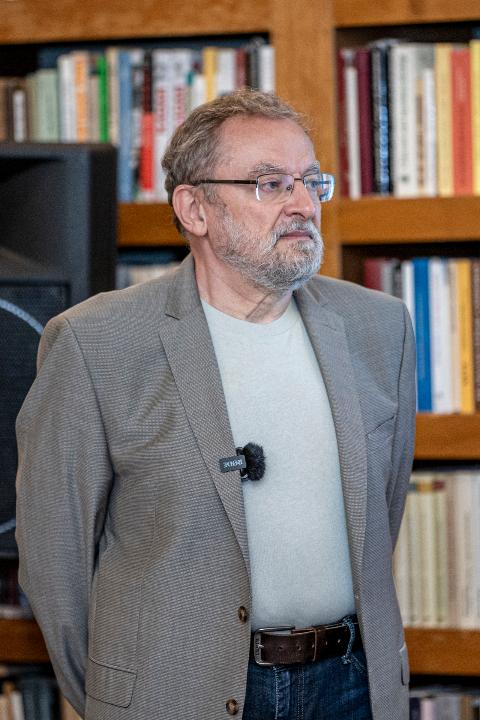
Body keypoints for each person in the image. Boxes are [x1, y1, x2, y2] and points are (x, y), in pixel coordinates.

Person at [15, 89, 415, 720]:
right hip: (176, 694)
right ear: (194, 208)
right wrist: (121, 695)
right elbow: (56, 565)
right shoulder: (96, 344)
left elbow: (382, 511)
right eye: (270, 183)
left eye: (311, 181)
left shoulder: (380, 327)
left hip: (349, 686)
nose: (303, 204)